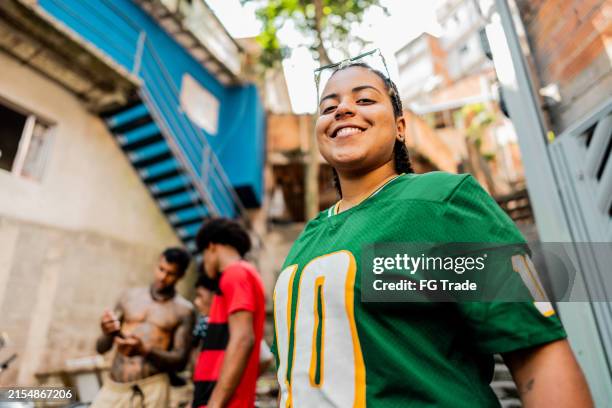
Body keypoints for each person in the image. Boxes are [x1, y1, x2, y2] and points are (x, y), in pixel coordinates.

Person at [272, 58, 593, 407]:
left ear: (399, 127)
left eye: (364, 100)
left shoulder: (441, 202)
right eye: (328, 106)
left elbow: (536, 352)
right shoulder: (309, 237)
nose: (343, 109)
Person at [92, 247, 195, 408]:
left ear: (181, 275)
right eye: (161, 269)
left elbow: (180, 362)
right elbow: (101, 348)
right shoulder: (129, 297)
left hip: (153, 387)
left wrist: (144, 350)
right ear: (157, 264)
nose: (163, 277)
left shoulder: (183, 311)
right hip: (115, 386)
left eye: (171, 273)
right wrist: (107, 332)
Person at [192, 218, 266, 408]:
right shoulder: (243, 273)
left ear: (211, 247)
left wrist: (215, 404)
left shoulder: (235, 274)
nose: (205, 261)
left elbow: (243, 339)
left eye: (203, 254)